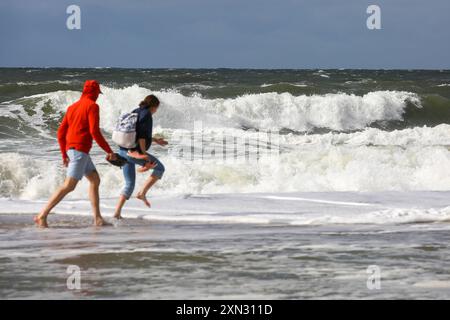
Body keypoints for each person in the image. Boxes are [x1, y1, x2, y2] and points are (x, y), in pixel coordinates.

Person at [34, 80, 117, 228]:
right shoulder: (92, 106)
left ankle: (98, 218)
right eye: (98, 93)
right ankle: (42, 215)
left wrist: (64, 154)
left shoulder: (72, 107)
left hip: (74, 150)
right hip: (79, 151)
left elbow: (60, 133)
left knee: (94, 179)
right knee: (69, 186)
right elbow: (94, 132)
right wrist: (109, 151)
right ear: (94, 92)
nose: (98, 96)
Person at [113, 94, 167, 219]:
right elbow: (142, 137)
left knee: (129, 184)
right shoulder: (147, 115)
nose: (156, 111)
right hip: (134, 153)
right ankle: (142, 193)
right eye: (156, 108)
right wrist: (143, 155)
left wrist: (155, 140)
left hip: (123, 150)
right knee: (159, 168)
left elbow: (135, 135)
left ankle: (117, 213)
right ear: (154, 106)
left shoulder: (136, 111)